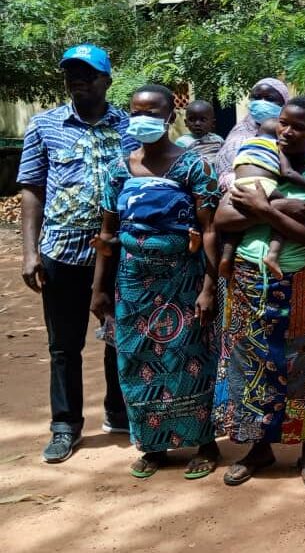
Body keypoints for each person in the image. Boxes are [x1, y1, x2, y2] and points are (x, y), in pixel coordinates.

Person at [89, 84, 221, 479]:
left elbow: (209, 229)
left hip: (183, 279)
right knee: (135, 358)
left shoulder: (192, 166)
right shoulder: (117, 169)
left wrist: (209, 286)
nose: (143, 118)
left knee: (191, 357)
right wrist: (98, 288)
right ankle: (153, 445)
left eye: (152, 111)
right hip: (133, 282)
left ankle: (205, 443)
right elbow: (108, 234)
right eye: (136, 111)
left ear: (169, 117)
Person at [212, 96, 305, 488]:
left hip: (298, 279)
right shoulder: (258, 166)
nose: (287, 131)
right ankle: (257, 447)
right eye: (284, 123)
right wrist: (282, 204)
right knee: (249, 367)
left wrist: (266, 210)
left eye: (299, 127)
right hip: (249, 281)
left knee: (304, 367)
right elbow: (223, 218)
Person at [18, 44, 135, 463]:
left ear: (106, 79)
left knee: (119, 338)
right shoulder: (44, 125)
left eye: (87, 73)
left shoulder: (130, 126)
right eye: (71, 74)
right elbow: (31, 188)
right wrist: (29, 253)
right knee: (64, 345)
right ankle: (65, 426)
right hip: (61, 252)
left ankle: (119, 412)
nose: (78, 80)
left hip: (121, 252)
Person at [220, 113, 305, 278]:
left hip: (240, 184)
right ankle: (273, 254)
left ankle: (226, 257)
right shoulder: (277, 146)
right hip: (262, 185)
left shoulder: (245, 143)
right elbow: (287, 172)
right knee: (287, 212)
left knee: (237, 223)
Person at [216, 77, 289, 189]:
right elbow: (226, 172)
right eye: (256, 98)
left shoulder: (291, 132)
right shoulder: (239, 133)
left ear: (284, 103)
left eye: (269, 98)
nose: (262, 102)